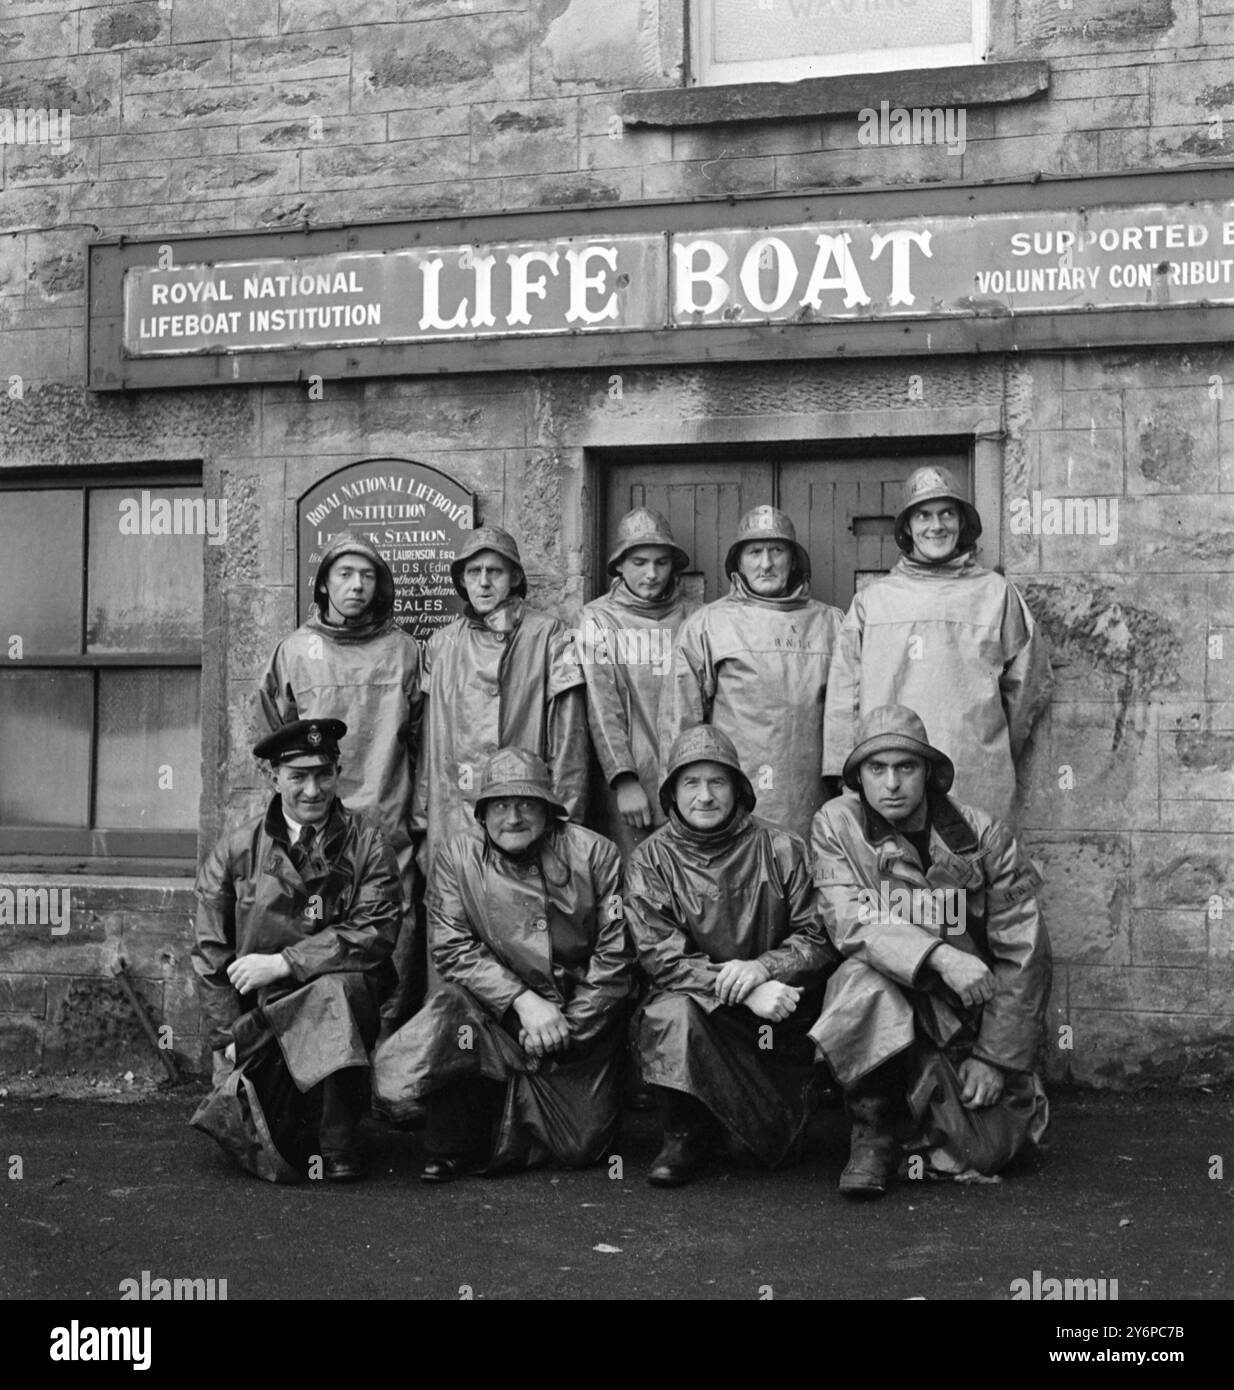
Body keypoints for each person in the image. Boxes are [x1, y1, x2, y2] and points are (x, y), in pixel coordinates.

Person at [810, 704, 1052, 1199]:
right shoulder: (835, 824)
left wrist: (995, 1058)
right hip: (885, 996)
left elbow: (1025, 953)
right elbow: (849, 916)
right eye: (877, 769)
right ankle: (873, 1133)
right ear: (858, 777)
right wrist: (940, 956)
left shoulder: (984, 835)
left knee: (990, 1151)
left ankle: (917, 1117)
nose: (892, 783)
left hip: (962, 1015)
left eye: (906, 767)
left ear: (929, 774)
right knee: (861, 978)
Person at [373, 748, 632, 1180]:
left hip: (576, 1027)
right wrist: (520, 1001)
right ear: (482, 813)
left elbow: (616, 956)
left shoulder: (596, 854)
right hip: (495, 1017)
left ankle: (511, 1118)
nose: (513, 817)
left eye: (526, 803)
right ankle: (450, 1145)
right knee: (452, 1012)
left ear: (549, 811)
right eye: (500, 805)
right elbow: (452, 946)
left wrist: (565, 1028)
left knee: (579, 1146)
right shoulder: (457, 857)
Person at [626, 725, 841, 1187]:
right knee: (669, 1011)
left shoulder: (783, 847)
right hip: (702, 1013)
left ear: (738, 788)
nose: (704, 796)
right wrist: (745, 991)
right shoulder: (650, 860)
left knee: (759, 1152)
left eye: (717, 782)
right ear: (672, 793)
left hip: (773, 1024)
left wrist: (765, 967)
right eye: (691, 783)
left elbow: (819, 937)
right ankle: (683, 1132)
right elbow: (661, 958)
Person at [190, 719, 401, 1183]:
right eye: (297, 776)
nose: (312, 789)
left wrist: (285, 963)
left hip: (344, 1008)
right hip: (263, 1019)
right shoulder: (236, 848)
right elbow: (209, 950)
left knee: (337, 990)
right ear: (274, 777)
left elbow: (377, 929)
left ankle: (338, 1142)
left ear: (338, 772)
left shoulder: (368, 842)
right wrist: (226, 1039)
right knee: (269, 1143)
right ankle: (295, 1117)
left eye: (323, 774)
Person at [822, 465, 1053, 823]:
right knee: (892, 875)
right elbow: (843, 696)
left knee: (976, 871)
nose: (936, 525)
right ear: (908, 527)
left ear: (962, 522)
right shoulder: (872, 602)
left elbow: (1027, 686)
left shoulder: (997, 595)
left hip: (974, 778)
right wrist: (845, 772)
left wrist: (987, 746)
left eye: (947, 513)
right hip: (889, 781)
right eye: (923, 515)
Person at [260, 533, 424, 1028]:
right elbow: (269, 738)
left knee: (389, 944)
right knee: (314, 941)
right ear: (325, 583)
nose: (356, 585)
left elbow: (424, 741)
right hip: (313, 831)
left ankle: (387, 1072)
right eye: (345, 574)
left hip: (388, 827)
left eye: (368, 575)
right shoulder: (293, 650)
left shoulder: (405, 651)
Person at [411, 526, 589, 873]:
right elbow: (427, 749)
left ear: (515, 576)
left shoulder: (548, 634)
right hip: (455, 818)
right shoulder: (441, 645)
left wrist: (566, 822)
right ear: (462, 580)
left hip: (524, 818)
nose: (484, 583)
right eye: (474, 573)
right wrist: (422, 824)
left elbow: (570, 741)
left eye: (495, 571)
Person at [660, 505, 842, 842]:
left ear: (794, 559)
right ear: (739, 562)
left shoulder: (832, 623)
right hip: (731, 801)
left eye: (777, 551)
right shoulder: (707, 625)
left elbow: (848, 717)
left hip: (815, 800)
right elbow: (679, 725)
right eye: (755, 552)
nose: (766, 563)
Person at [580, 507, 698, 860]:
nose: (651, 573)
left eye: (661, 562)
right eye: (640, 562)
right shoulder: (596, 619)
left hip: (691, 780)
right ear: (619, 565)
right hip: (631, 786)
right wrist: (624, 778)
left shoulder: (697, 617)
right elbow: (602, 706)